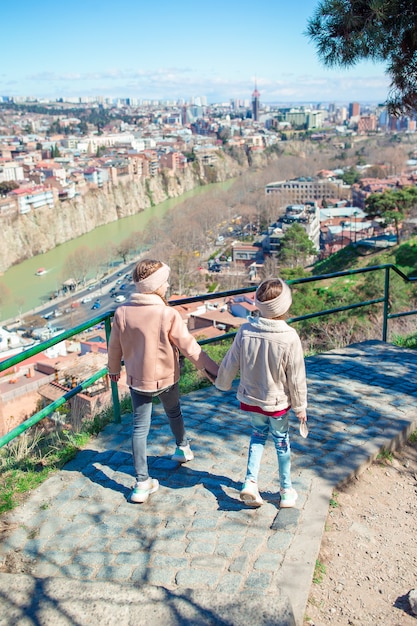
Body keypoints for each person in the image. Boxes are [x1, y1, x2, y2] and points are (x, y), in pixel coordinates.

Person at [107, 259, 219, 504]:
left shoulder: (122, 312)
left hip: (137, 379)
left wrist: (114, 369)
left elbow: (114, 346)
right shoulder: (167, 313)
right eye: (165, 281)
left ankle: (141, 483)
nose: (167, 285)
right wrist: (214, 371)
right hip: (166, 377)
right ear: (156, 286)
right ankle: (182, 447)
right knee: (174, 412)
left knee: (139, 429)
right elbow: (189, 347)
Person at [215, 277, 307, 508]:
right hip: (277, 402)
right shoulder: (289, 336)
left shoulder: (245, 331)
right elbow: (296, 378)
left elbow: (230, 362)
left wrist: (222, 384)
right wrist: (300, 407)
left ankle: (250, 482)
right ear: (285, 305)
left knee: (257, 435)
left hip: (251, 399)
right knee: (281, 442)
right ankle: (286, 491)